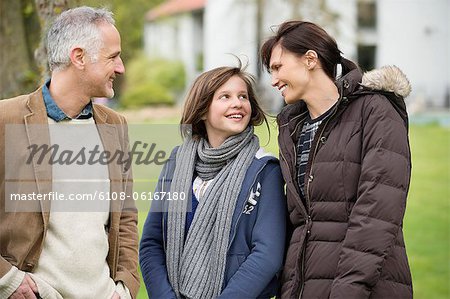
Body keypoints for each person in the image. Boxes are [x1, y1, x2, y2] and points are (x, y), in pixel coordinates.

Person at [260, 21, 413, 298]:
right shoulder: (294, 128)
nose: (273, 80)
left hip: (363, 288)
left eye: (278, 67)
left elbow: (377, 213)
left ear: (309, 59)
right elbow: (298, 222)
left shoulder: (375, 111)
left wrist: (347, 290)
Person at [0, 6, 139, 299]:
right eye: (113, 56)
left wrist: (124, 287)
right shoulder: (5, 119)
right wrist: (8, 279)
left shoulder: (115, 125)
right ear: (79, 57)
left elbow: (125, 217)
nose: (121, 67)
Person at [139, 64, 287, 298]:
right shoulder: (176, 165)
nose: (237, 103)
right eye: (225, 97)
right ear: (202, 110)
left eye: (243, 96)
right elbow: (151, 243)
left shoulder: (264, 170)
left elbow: (267, 254)